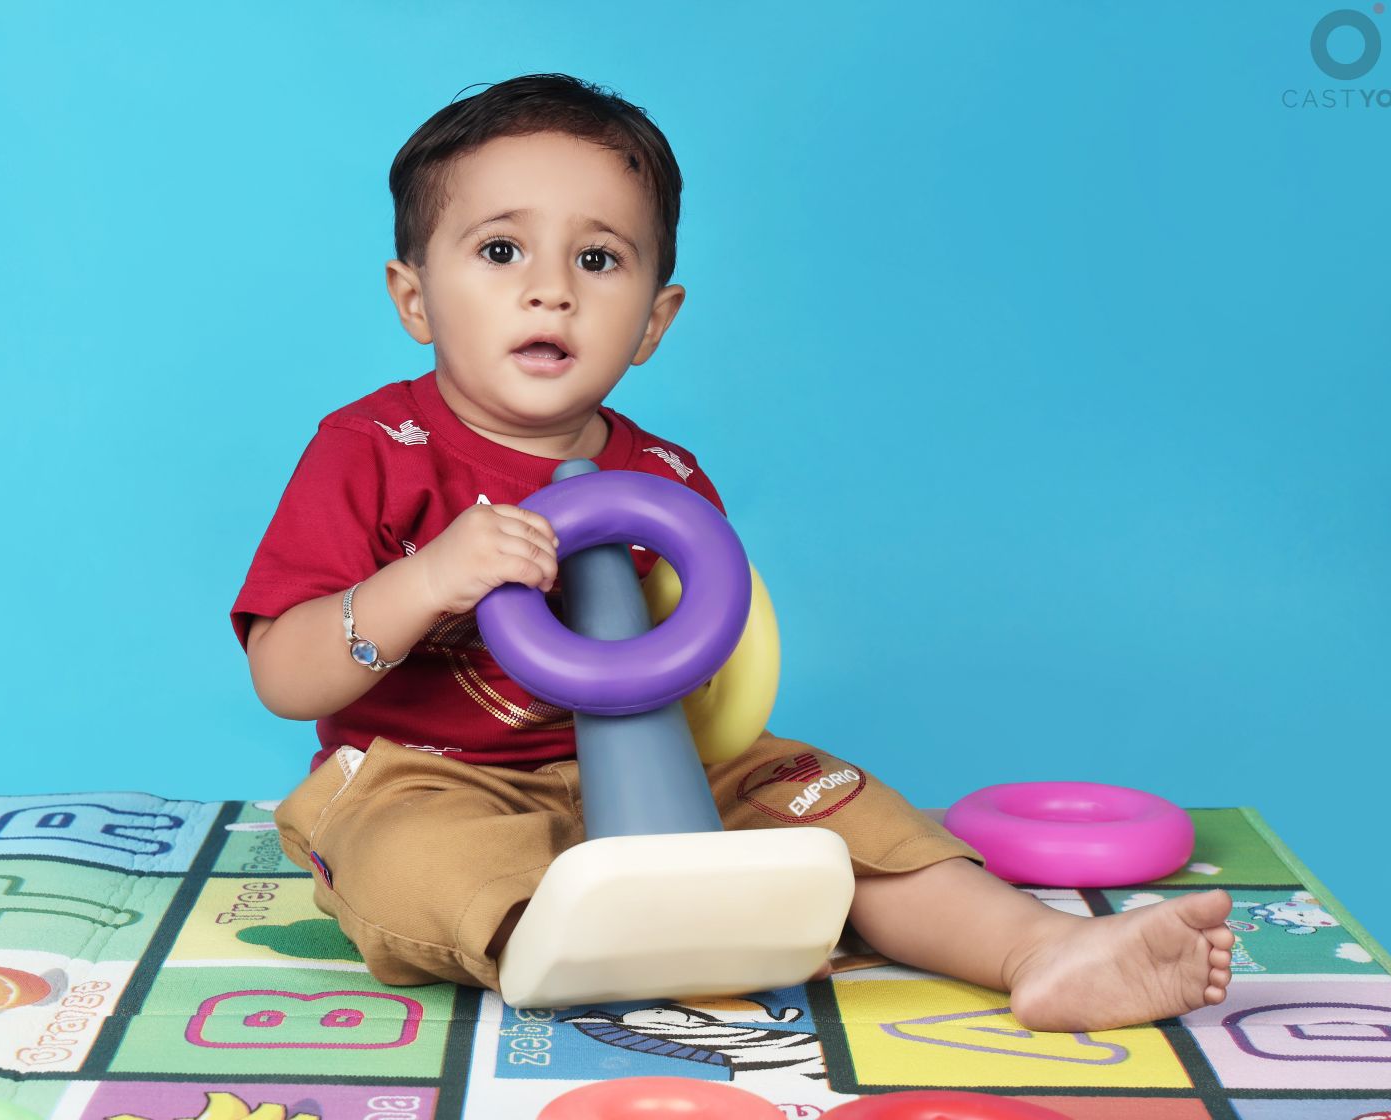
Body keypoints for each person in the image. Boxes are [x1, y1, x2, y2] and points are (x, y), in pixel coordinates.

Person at [230, 73, 1234, 1032]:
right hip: (429, 780)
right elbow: (284, 674)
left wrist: (716, 700)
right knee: (409, 858)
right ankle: (585, 938)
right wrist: (428, 580)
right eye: (501, 251)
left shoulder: (664, 479)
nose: (551, 292)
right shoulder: (372, 449)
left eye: (598, 260)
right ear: (414, 298)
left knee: (834, 800)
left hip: (657, 768)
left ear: (654, 321)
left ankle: (1039, 949)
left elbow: (713, 675)